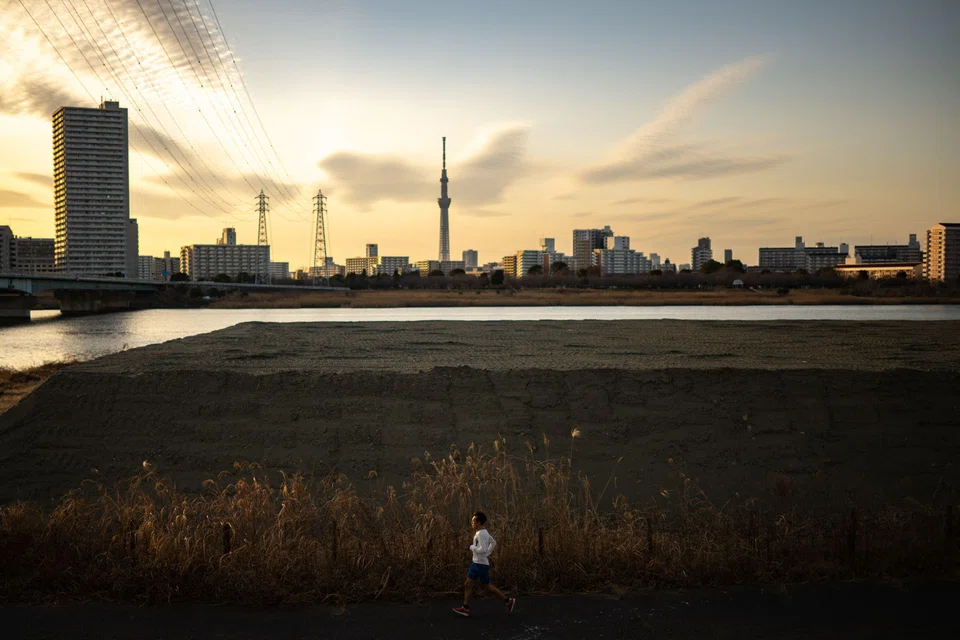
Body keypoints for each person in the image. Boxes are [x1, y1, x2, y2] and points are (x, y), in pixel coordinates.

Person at [453, 511, 516, 617]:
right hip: (475, 563)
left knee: (488, 587)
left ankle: (508, 601)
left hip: (481, 565)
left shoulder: (482, 533)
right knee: (468, 584)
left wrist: (471, 547)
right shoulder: (482, 532)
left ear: (479, 522)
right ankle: (465, 608)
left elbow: (482, 549)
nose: (472, 522)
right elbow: (493, 543)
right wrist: (487, 553)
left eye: (474, 521)